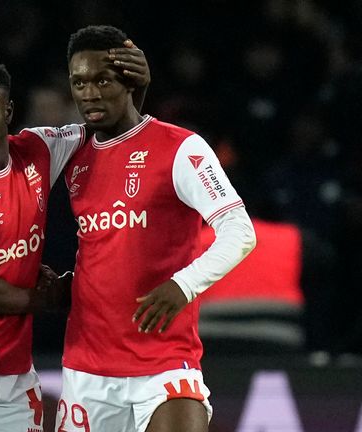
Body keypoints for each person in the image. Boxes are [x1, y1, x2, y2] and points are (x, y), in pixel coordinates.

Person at [0, 50, 150, 432]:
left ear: (8, 110)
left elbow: (112, 130)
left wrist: (136, 90)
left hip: (15, 363)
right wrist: (50, 299)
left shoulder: (39, 148)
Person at [55, 25, 257, 432]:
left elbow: (240, 230)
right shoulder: (72, 155)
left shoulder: (181, 147)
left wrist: (183, 285)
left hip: (165, 363)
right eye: (79, 82)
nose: (89, 93)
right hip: (87, 370)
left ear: (129, 80)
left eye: (102, 80)